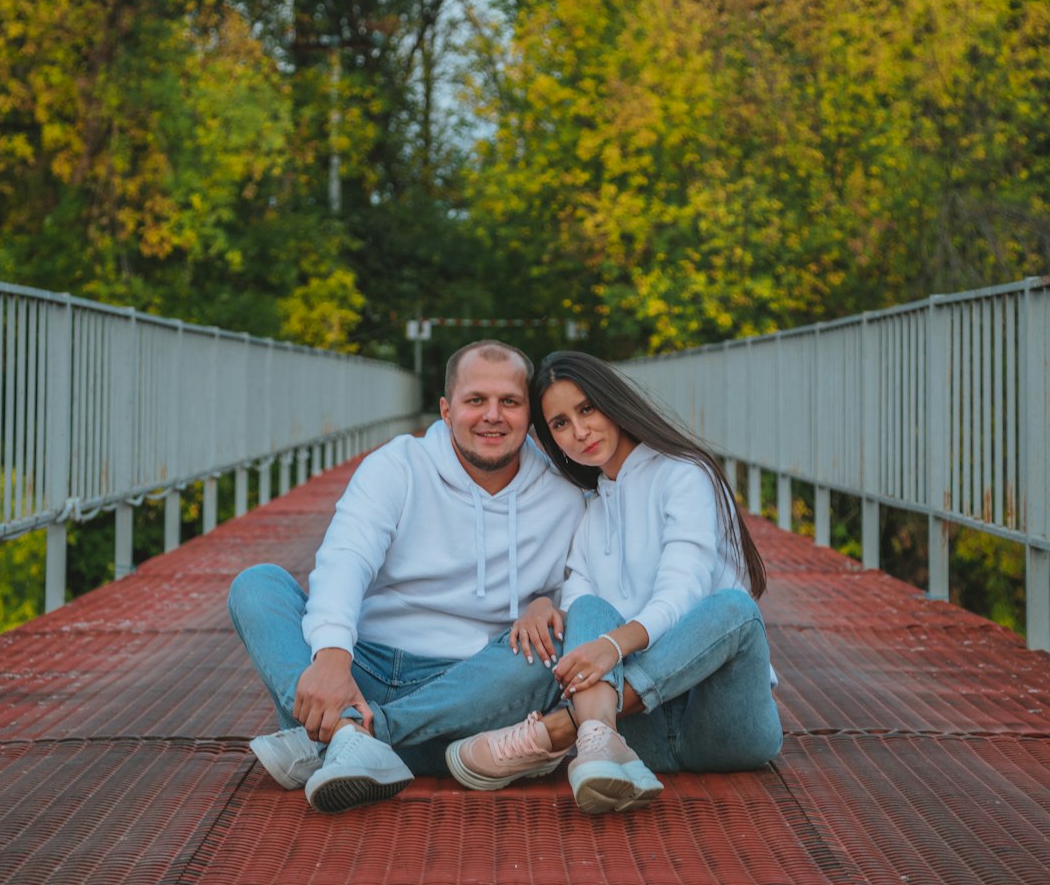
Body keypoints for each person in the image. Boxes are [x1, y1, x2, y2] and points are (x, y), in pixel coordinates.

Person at [228, 340, 586, 813]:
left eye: (510, 402)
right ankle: (362, 736)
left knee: (557, 648)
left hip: (469, 686)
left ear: (529, 414)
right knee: (257, 585)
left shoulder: (564, 495)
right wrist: (334, 656)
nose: (492, 416)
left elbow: (586, 590)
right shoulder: (397, 465)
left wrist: (549, 603)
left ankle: (344, 737)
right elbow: (345, 558)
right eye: (476, 400)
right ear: (445, 408)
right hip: (363, 670)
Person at [446, 351, 782, 814]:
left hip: (725, 724)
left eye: (587, 410)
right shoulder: (591, 510)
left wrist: (616, 645)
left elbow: (682, 592)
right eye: (560, 424)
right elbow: (582, 611)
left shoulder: (684, 474)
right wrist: (545, 606)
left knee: (734, 609)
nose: (579, 432)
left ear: (614, 403)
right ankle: (596, 741)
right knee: (584, 610)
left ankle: (559, 731)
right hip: (638, 735)